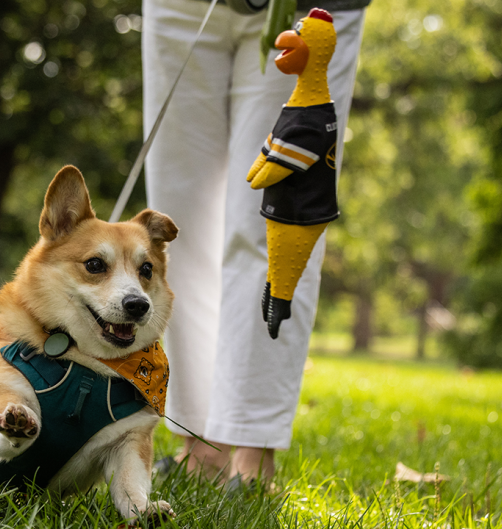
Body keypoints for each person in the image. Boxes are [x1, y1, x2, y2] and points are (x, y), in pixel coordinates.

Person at [142, 0, 371, 486]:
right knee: (175, 228)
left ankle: (253, 450)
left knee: (278, 222)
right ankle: (200, 446)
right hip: (183, 8)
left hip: (311, 10)